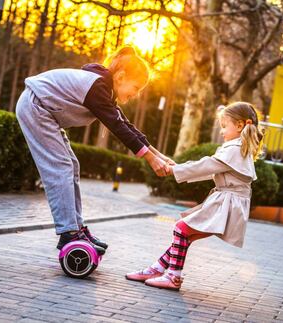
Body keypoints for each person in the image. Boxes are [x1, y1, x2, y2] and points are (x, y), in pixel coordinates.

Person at [15, 46, 172, 254]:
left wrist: (160, 156)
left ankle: (76, 228)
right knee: (61, 167)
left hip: (45, 112)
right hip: (36, 107)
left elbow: (127, 126)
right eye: (135, 88)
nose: (135, 95)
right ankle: (69, 233)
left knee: (72, 165)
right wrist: (151, 160)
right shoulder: (97, 87)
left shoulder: (104, 89)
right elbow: (118, 128)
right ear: (121, 76)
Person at [126, 102, 264, 290]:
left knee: (181, 229)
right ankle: (157, 269)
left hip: (227, 202)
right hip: (228, 201)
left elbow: (205, 165)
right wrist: (178, 169)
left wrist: (175, 170)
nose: (222, 131)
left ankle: (173, 276)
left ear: (239, 126)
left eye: (225, 126)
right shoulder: (238, 148)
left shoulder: (234, 148)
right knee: (185, 235)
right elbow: (210, 170)